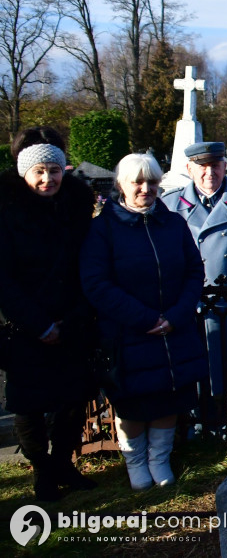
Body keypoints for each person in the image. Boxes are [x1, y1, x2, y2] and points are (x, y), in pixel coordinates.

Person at [80, 153, 207, 490]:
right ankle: (135, 461)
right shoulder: (103, 228)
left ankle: (159, 458)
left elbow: (194, 271)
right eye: (137, 181)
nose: (145, 188)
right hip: (128, 331)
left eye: (151, 181)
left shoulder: (174, 224)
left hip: (172, 329)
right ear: (121, 185)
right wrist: (146, 318)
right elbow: (96, 283)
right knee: (133, 402)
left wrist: (176, 316)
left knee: (170, 394)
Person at [0, 127, 98, 501]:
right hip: (24, 326)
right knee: (30, 405)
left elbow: (86, 266)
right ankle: (43, 470)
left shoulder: (76, 206)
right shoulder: (7, 211)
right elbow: (4, 278)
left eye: (54, 171)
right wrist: (39, 324)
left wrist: (73, 319)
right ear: (25, 173)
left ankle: (63, 464)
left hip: (71, 321)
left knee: (72, 399)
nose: (47, 179)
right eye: (39, 171)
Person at [161, 141, 227, 441]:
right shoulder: (171, 205)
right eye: (202, 166)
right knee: (197, 370)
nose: (209, 172)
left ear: (224, 166)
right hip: (191, 306)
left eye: (215, 165)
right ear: (189, 168)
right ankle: (200, 426)